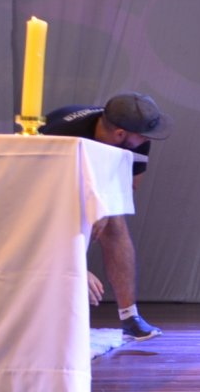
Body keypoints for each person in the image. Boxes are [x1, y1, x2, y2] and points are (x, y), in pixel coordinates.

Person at [43, 92, 173, 340]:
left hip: (85, 179)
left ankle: (130, 317)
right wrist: (75, 264)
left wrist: (103, 206)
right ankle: (50, 315)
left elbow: (128, 187)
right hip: (42, 182)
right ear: (120, 134)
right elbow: (45, 203)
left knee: (114, 220)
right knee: (70, 225)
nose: (148, 138)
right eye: (144, 135)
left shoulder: (136, 139)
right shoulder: (64, 136)